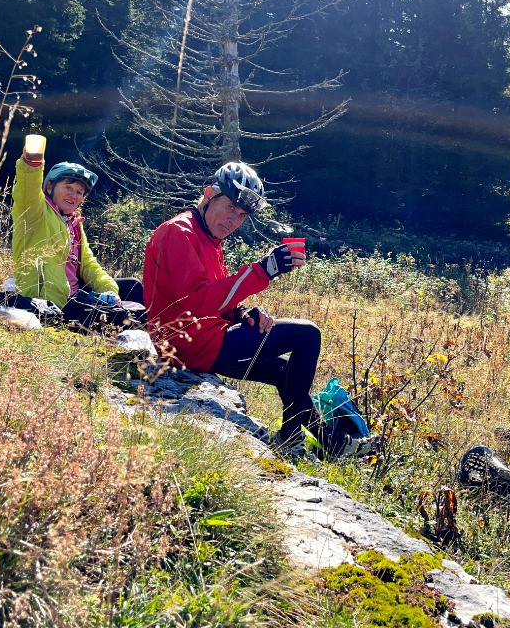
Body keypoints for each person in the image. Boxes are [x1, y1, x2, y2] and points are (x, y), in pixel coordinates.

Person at [143, 161, 372, 458]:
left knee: (284, 372)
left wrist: (241, 313)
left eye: (240, 215)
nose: (233, 220)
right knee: (307, 335)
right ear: (209, 193)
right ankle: (291, 439)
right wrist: (263, 271)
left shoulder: (208, 237)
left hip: (198, 341)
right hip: (191, 346)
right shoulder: (179, 232)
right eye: (229, 207)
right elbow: (195, 301)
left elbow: (213, 297)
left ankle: (331, 444)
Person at [6, 133, 146, 330]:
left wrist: (109, 290)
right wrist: (32, 161)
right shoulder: (35, 212)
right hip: (54, 300)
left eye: (79, 192)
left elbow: (88, 265)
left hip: (77, 292)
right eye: (68, 187)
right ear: (49, 186)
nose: (74, 195)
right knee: (130, 317)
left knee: (133, 285)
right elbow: (27, 187)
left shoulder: (74, 224)